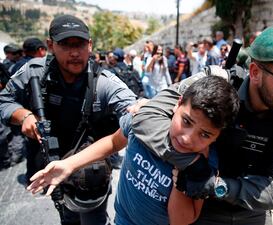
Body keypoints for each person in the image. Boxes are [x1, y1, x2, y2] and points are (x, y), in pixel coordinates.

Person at [131, 25, 273, 224]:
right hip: (202, 210)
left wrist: (216, 185)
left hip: (251, 211)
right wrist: (192, 163)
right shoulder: (217, 84)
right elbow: (148, 116)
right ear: (255, 72)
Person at [27, 75, 240, 225]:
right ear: (178, 103)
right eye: (186, 121)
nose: (187, 138)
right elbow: (113, 142)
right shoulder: (146, 124)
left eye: (205, 135)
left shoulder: (204, 163)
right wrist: (68, 164)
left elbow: (182, 221)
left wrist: (182, 178)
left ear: (217, 136)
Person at [0, 14, 137, 225]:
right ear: (50, 46)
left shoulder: (103, 82)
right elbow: (5, 100)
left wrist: (140, 109)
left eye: (80, 44)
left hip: (90, 170)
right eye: (65, 44)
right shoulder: (35, 71)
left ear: (90, 45)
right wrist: (24, 115)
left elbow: (132, 110)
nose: (74, 53)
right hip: (52, 161)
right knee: (68, 218)